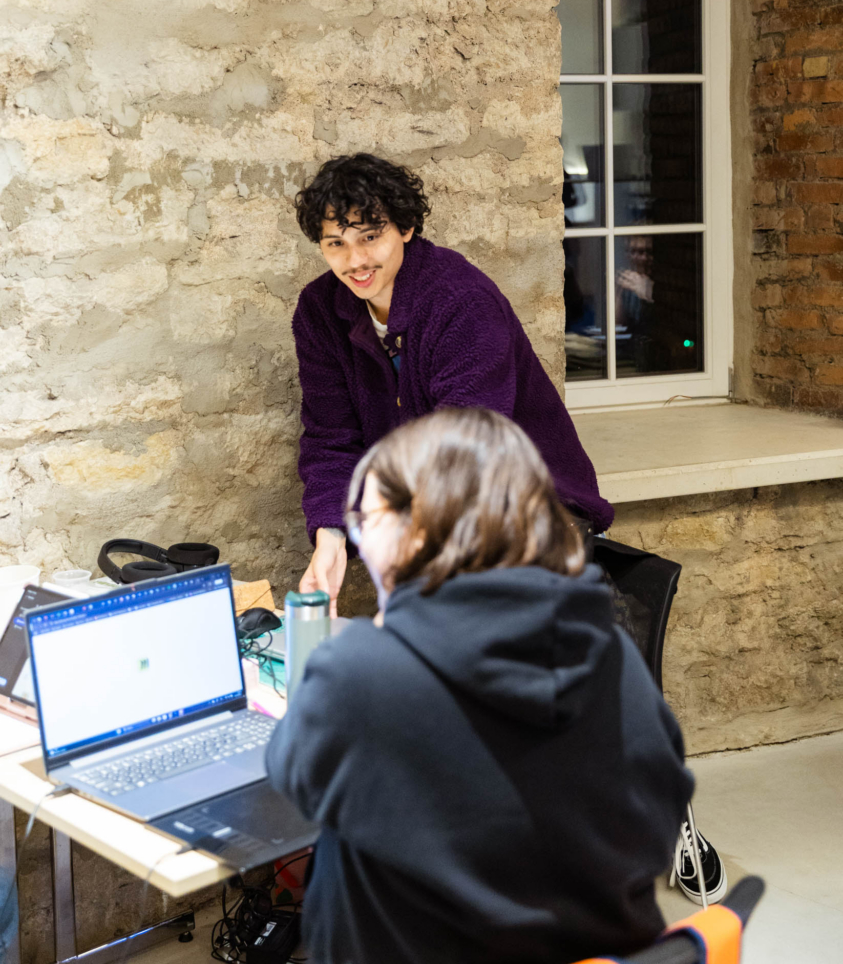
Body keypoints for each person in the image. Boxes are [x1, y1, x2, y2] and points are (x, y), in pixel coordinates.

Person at [266, 408, 694, 964]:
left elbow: (293, 781)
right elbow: (659, 825)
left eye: (366, 520)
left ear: (416, 534)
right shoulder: (610, 652)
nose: (361, 544)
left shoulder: (362, 671)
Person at [292, 153, 613, 615]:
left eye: (370, 237)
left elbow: (467, 453)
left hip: (531, 515)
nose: (355, 260)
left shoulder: (460, 300)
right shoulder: (320, 311)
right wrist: (331, 536)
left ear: (405, 227)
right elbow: (331, 439)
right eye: (336, 243)